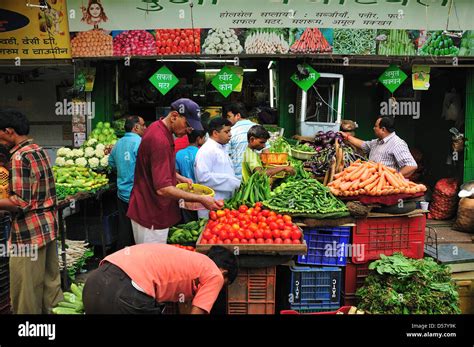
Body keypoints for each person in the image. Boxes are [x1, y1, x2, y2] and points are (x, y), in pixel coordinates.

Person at [127, 98, 223, 244]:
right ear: (174, 117)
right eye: (187, 124)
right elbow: (163, 189)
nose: (189, 130)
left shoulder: (158, 128)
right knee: (151, 262)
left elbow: (155, 166)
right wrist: (200, 199)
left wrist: (177, 176)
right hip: (150, 213)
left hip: (152, 209)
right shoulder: (160, 140)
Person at [0, 110, 62, 314]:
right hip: (48, 227)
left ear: (9, 131)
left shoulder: (19, 157)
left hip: (28, 233)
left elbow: (20, 202)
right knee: (49, 285)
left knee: (25, 290)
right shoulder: (39, 149)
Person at [82, 244, 238, 314]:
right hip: (124, 295)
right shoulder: (214, 273)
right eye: (223, 285)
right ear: (223, 272)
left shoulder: (188, 261)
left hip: (93, 285)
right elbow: (198, 311)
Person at [108, 116, 147, 250]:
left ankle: (122, 259)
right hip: (137, 194)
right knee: (140, 231)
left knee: (124, 228)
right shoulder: (140, 142)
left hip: (122, 193)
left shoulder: (118, 144)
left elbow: (111, 163)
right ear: (136, 127)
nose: (145, 128)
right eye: (143, 125)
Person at [340, 116, 417, 178]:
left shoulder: (397, 144)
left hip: (385, 185)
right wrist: (346, 137)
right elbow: (363, 145)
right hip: (371, 182)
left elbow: (411, 166)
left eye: (376, 126)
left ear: (383, 129)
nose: (373, 128)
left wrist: (393, 178)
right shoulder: (377, 142)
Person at [195, 118, 241, 218]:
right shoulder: (207, 150)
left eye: (230, 131)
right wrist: (232, 182)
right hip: (212, 203)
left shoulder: (221, 147)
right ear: (215, 133)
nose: (230, 134)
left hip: (223, 202)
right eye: (226, 131)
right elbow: (203, 177)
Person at [224, 103, 258, 179]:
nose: (228, 119)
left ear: (238, 116)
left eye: (229, 116)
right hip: (256, 177)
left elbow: (226, 157)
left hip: (237, 177)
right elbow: (267, 152)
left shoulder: (230, 132)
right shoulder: (259, 128)